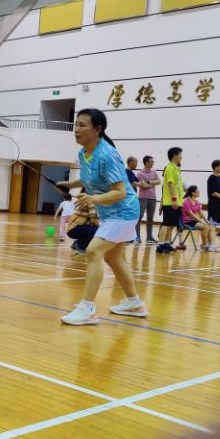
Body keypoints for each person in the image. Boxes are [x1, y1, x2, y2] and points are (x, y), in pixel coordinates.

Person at [56, 108, 147, 325]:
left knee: (93, 251)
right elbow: (89, 179)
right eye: (76, 125)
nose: (76, 129)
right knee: (113, 258)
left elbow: (120, 192)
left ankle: (87, 308)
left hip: (124, 211)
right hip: (110, 213)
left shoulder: (107, 154)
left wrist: (93, 199)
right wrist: (70, 184)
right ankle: (134, 303)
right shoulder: (84, 153)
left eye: (82, 125)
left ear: (97, 130)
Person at [159, 147, 185, 249]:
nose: (181, 157)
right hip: (170, 202)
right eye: (180, 154)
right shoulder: (169, 168)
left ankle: (167, 243)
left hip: (177, 201)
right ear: (174, 155)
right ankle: (160, 245)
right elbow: (170, 184)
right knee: (166, 224)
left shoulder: (176, 169)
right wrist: (174, 199)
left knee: (171, 225)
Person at [182, 185, 220, 252]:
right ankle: (204, 245)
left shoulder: (197, 202)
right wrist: (201, 221)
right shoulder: (186, 202)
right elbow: (191, 214)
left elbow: (200, 212)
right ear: (193, 193)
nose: (199, 191)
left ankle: (212, 245)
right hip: (188, 221)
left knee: (211, 225)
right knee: (205, 226)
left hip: (195, 221)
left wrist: (207, 221)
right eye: (197, 190)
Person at [135, 155, 160, 244]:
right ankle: (137, 236)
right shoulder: (140, 174)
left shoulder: (154, 172)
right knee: (139, 216)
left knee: (150, 218)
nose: (153, 163)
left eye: (153, 161)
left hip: (153, 198)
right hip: (143, 197)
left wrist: (149, 182)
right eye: (151, 161)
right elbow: (144, 186)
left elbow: (159, 181)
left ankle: (149, 237)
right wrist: (153, 184)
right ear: (146, 162)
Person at [125, 156, 140, 242]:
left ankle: (129, 236)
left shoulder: (131, 173)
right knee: (128, 218)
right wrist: (141, 184)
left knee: (131, 218)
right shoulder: (127, 172)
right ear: (130, 162)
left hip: (132, 198)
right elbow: (133, 183)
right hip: (128, 199)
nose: (136, 164)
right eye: (135, 162)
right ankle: (126, 237)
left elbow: (137, 182)